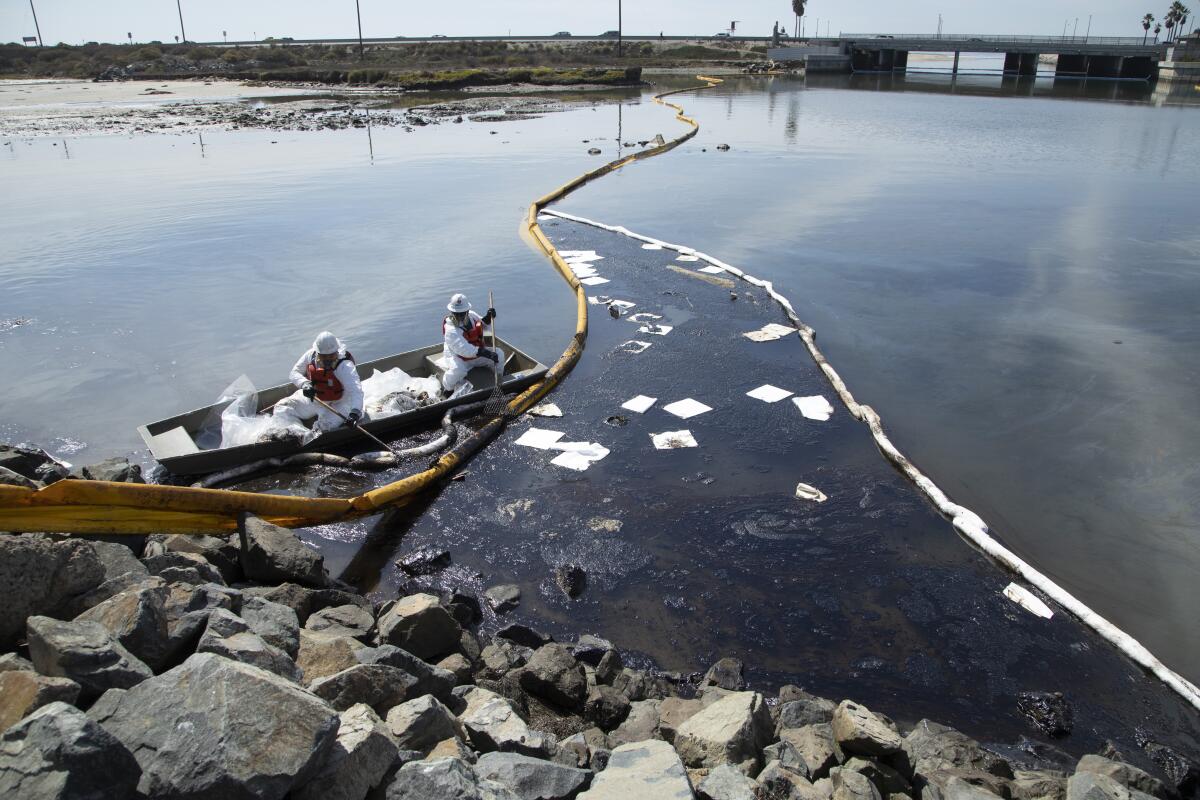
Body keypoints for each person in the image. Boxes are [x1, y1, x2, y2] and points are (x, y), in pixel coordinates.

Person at [273, 331, 365, 433]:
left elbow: (356, 391)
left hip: (340, 402)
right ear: (318, 353)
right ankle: (297, 434)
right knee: (282, 408)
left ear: (336, 352)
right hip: (316, 398)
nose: (327, 360)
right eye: (324, 356)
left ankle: (313, 433)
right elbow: (294, 373)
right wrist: (305, 384)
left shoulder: (345, 366)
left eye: (331, 356)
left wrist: (354, 413)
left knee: (322, 428)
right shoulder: (310, 355)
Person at [441, 293, 502, 395]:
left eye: (461, 313)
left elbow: (481, 325)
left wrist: (488, 318)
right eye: (456, 313)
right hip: (458, 357)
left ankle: (499, 380)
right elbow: (464, 350)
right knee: (459, 370)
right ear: (451, 312)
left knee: (499, 354)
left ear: (467, 311)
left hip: (476, 353)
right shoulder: (450, 330)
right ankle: (448, 388)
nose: (459, 316)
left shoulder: (472, 316)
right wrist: (486, 353)